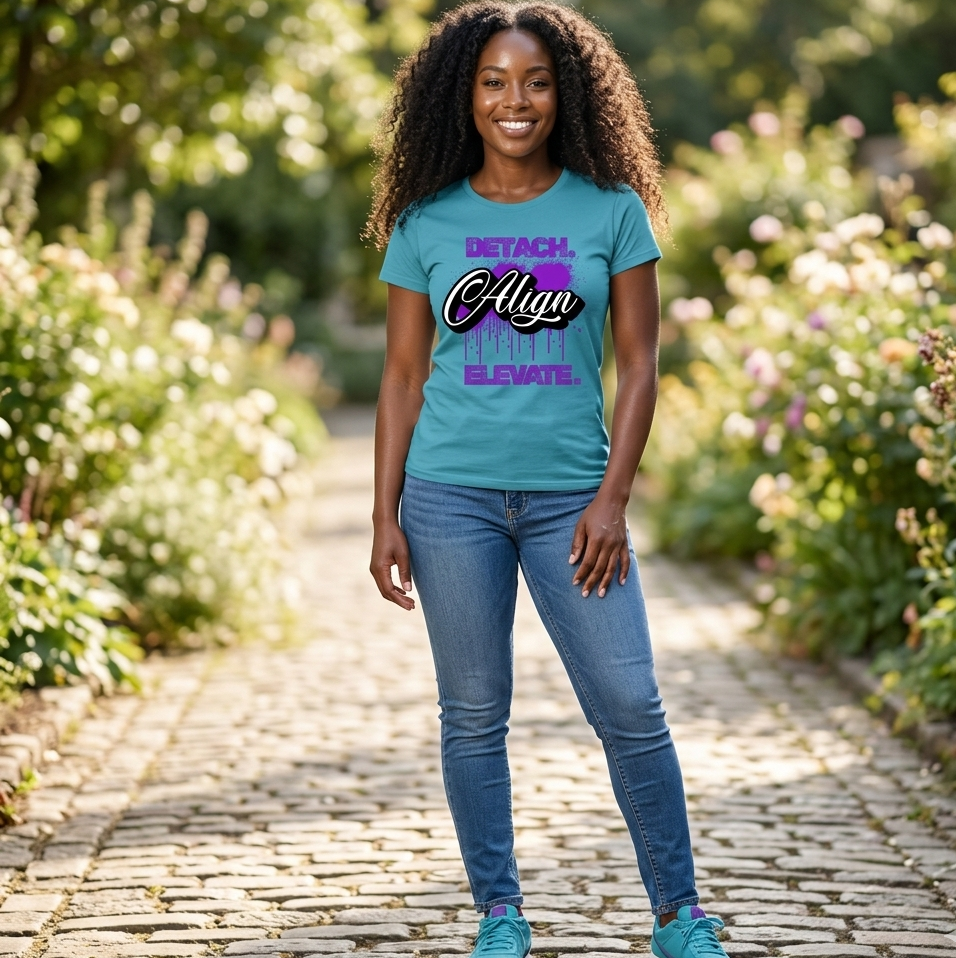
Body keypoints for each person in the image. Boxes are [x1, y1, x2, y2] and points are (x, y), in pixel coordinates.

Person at [365, 4, 729, 958]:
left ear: (566, 93)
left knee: (629, 704)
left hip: (574, 504)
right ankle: (500, 913)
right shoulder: (425, 221)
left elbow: (642, 366)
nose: (514, 100)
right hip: (449, 499)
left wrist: (612, 500)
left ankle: (679, 915)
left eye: (534, 81)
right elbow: (402, 377)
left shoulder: (611, 210)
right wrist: (384, 515)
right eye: (493, 82)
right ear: (464, 96)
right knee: (474, 714)